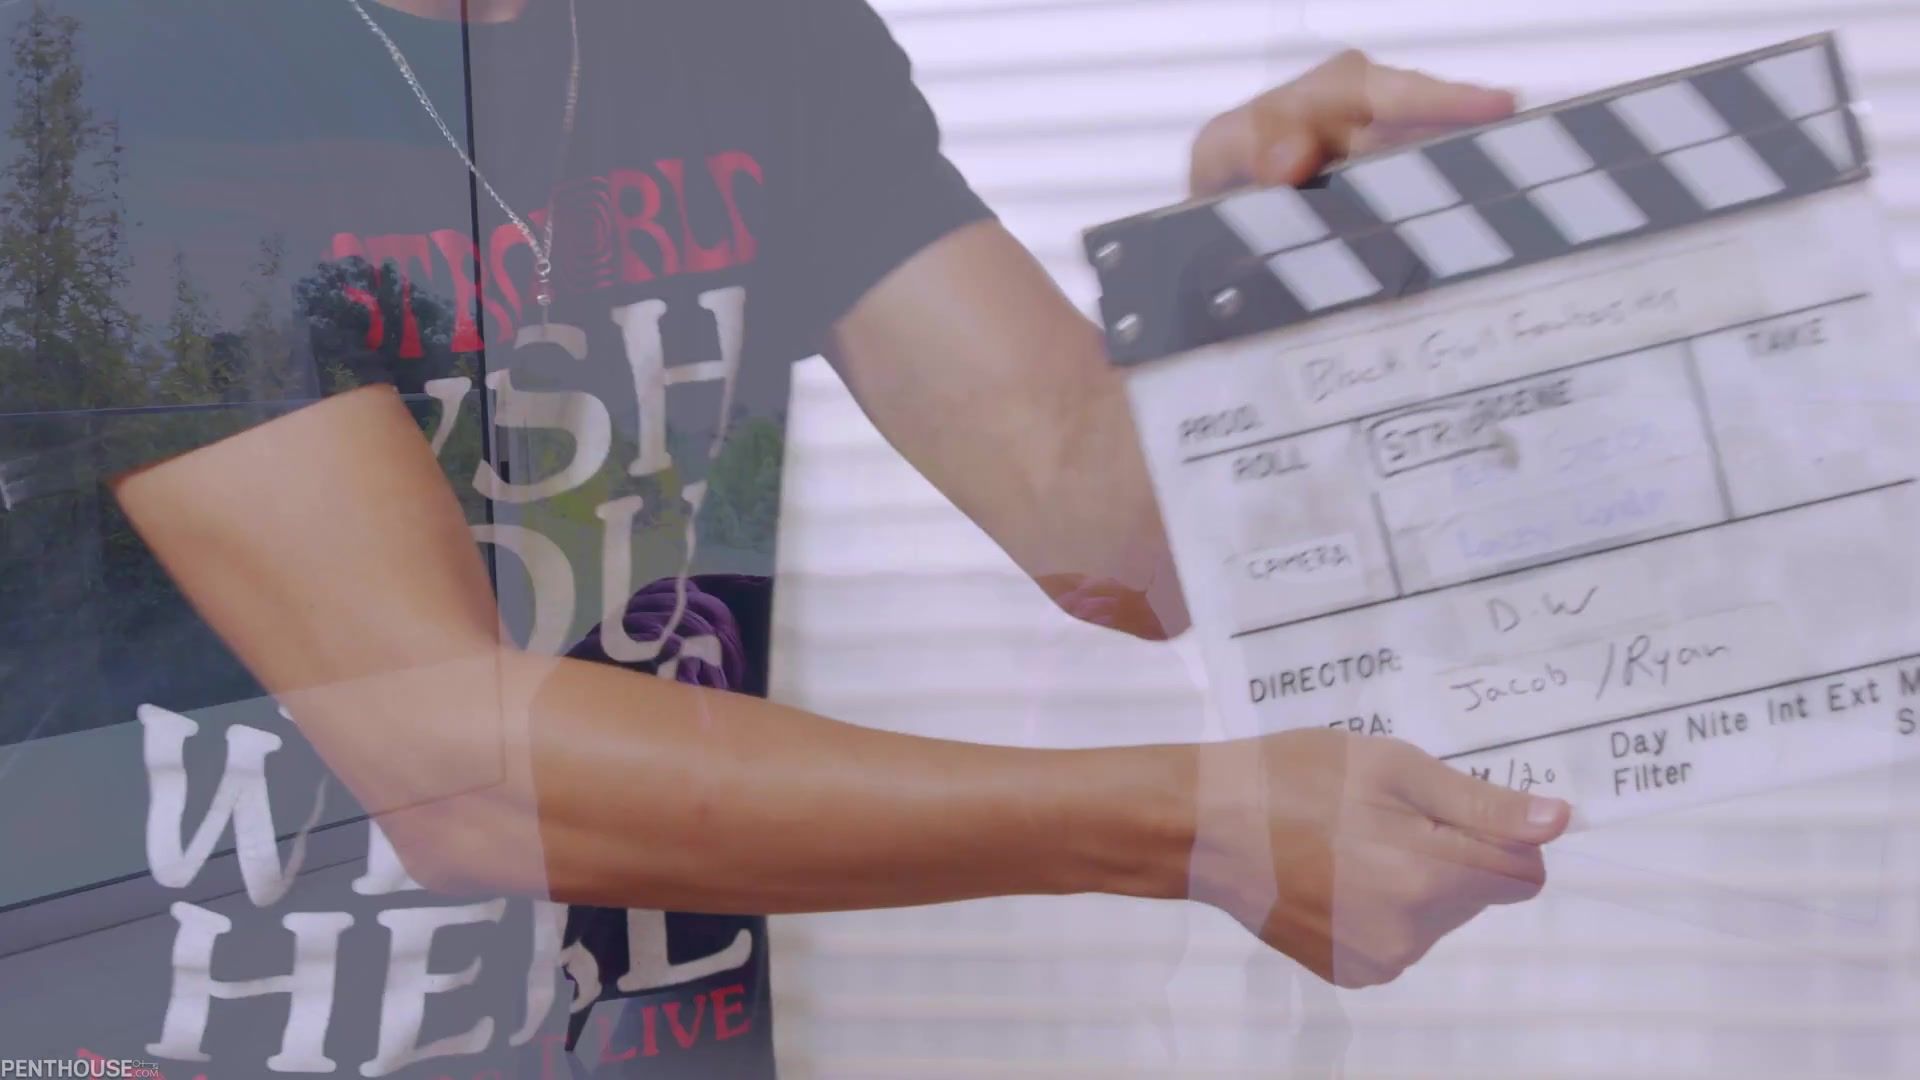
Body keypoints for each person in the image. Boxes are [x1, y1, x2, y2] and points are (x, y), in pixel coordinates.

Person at [0, 0, 1569, 1076]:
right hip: (186, 1034)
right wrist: (1191, 825)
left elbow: (1116, 544)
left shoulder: (757, 32)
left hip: (646, 1030)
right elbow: (456, 764)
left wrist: (1253, 271)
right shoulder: (95, 62)